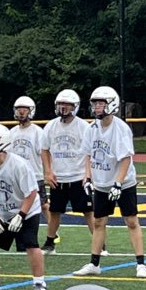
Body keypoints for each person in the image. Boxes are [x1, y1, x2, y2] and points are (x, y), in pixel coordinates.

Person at [73, 86, 146, 278]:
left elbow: (125, 159)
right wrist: (87, 177)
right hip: (101, 183)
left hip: (123, 182)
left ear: (111, 104)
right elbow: (88, 154)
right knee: (99, 221)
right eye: (95, 103)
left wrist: (118, 183)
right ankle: (94, 263)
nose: (97, 107)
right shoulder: (92, 128)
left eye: (101, 103)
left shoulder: (121, 128)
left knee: (131, 221)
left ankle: (141, 263)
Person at [0, 124, 49, 290]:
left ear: (0, 144)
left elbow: (31, 192)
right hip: (1, 213)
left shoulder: (18, 165)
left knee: (31, 244)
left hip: (26, 210)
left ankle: (39, 283)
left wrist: (21, 216)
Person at [40, 89, 95, 255]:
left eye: (67, 104)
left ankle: (100, 244)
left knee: (88, 211)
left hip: (78, 176)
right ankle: (50, 243)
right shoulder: (51, 126)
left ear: (75, 106)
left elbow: (89, 152)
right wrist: (48, 172)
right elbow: (44, 150)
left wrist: (87, 174)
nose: (63, 107)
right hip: (59, 177)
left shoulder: (84, 127)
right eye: (61, 104)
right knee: (55, 211)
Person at [7, 96, 50, 241]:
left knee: (43, 205)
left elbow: (43, 153)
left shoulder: (38, 132)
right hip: (16, 177)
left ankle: (53, 230)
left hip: (34, 175)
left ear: (30, 111)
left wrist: (47, 172)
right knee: (20, 205)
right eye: (19, 109)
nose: (21, 112)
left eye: (24, 109)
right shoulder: (11, 133)